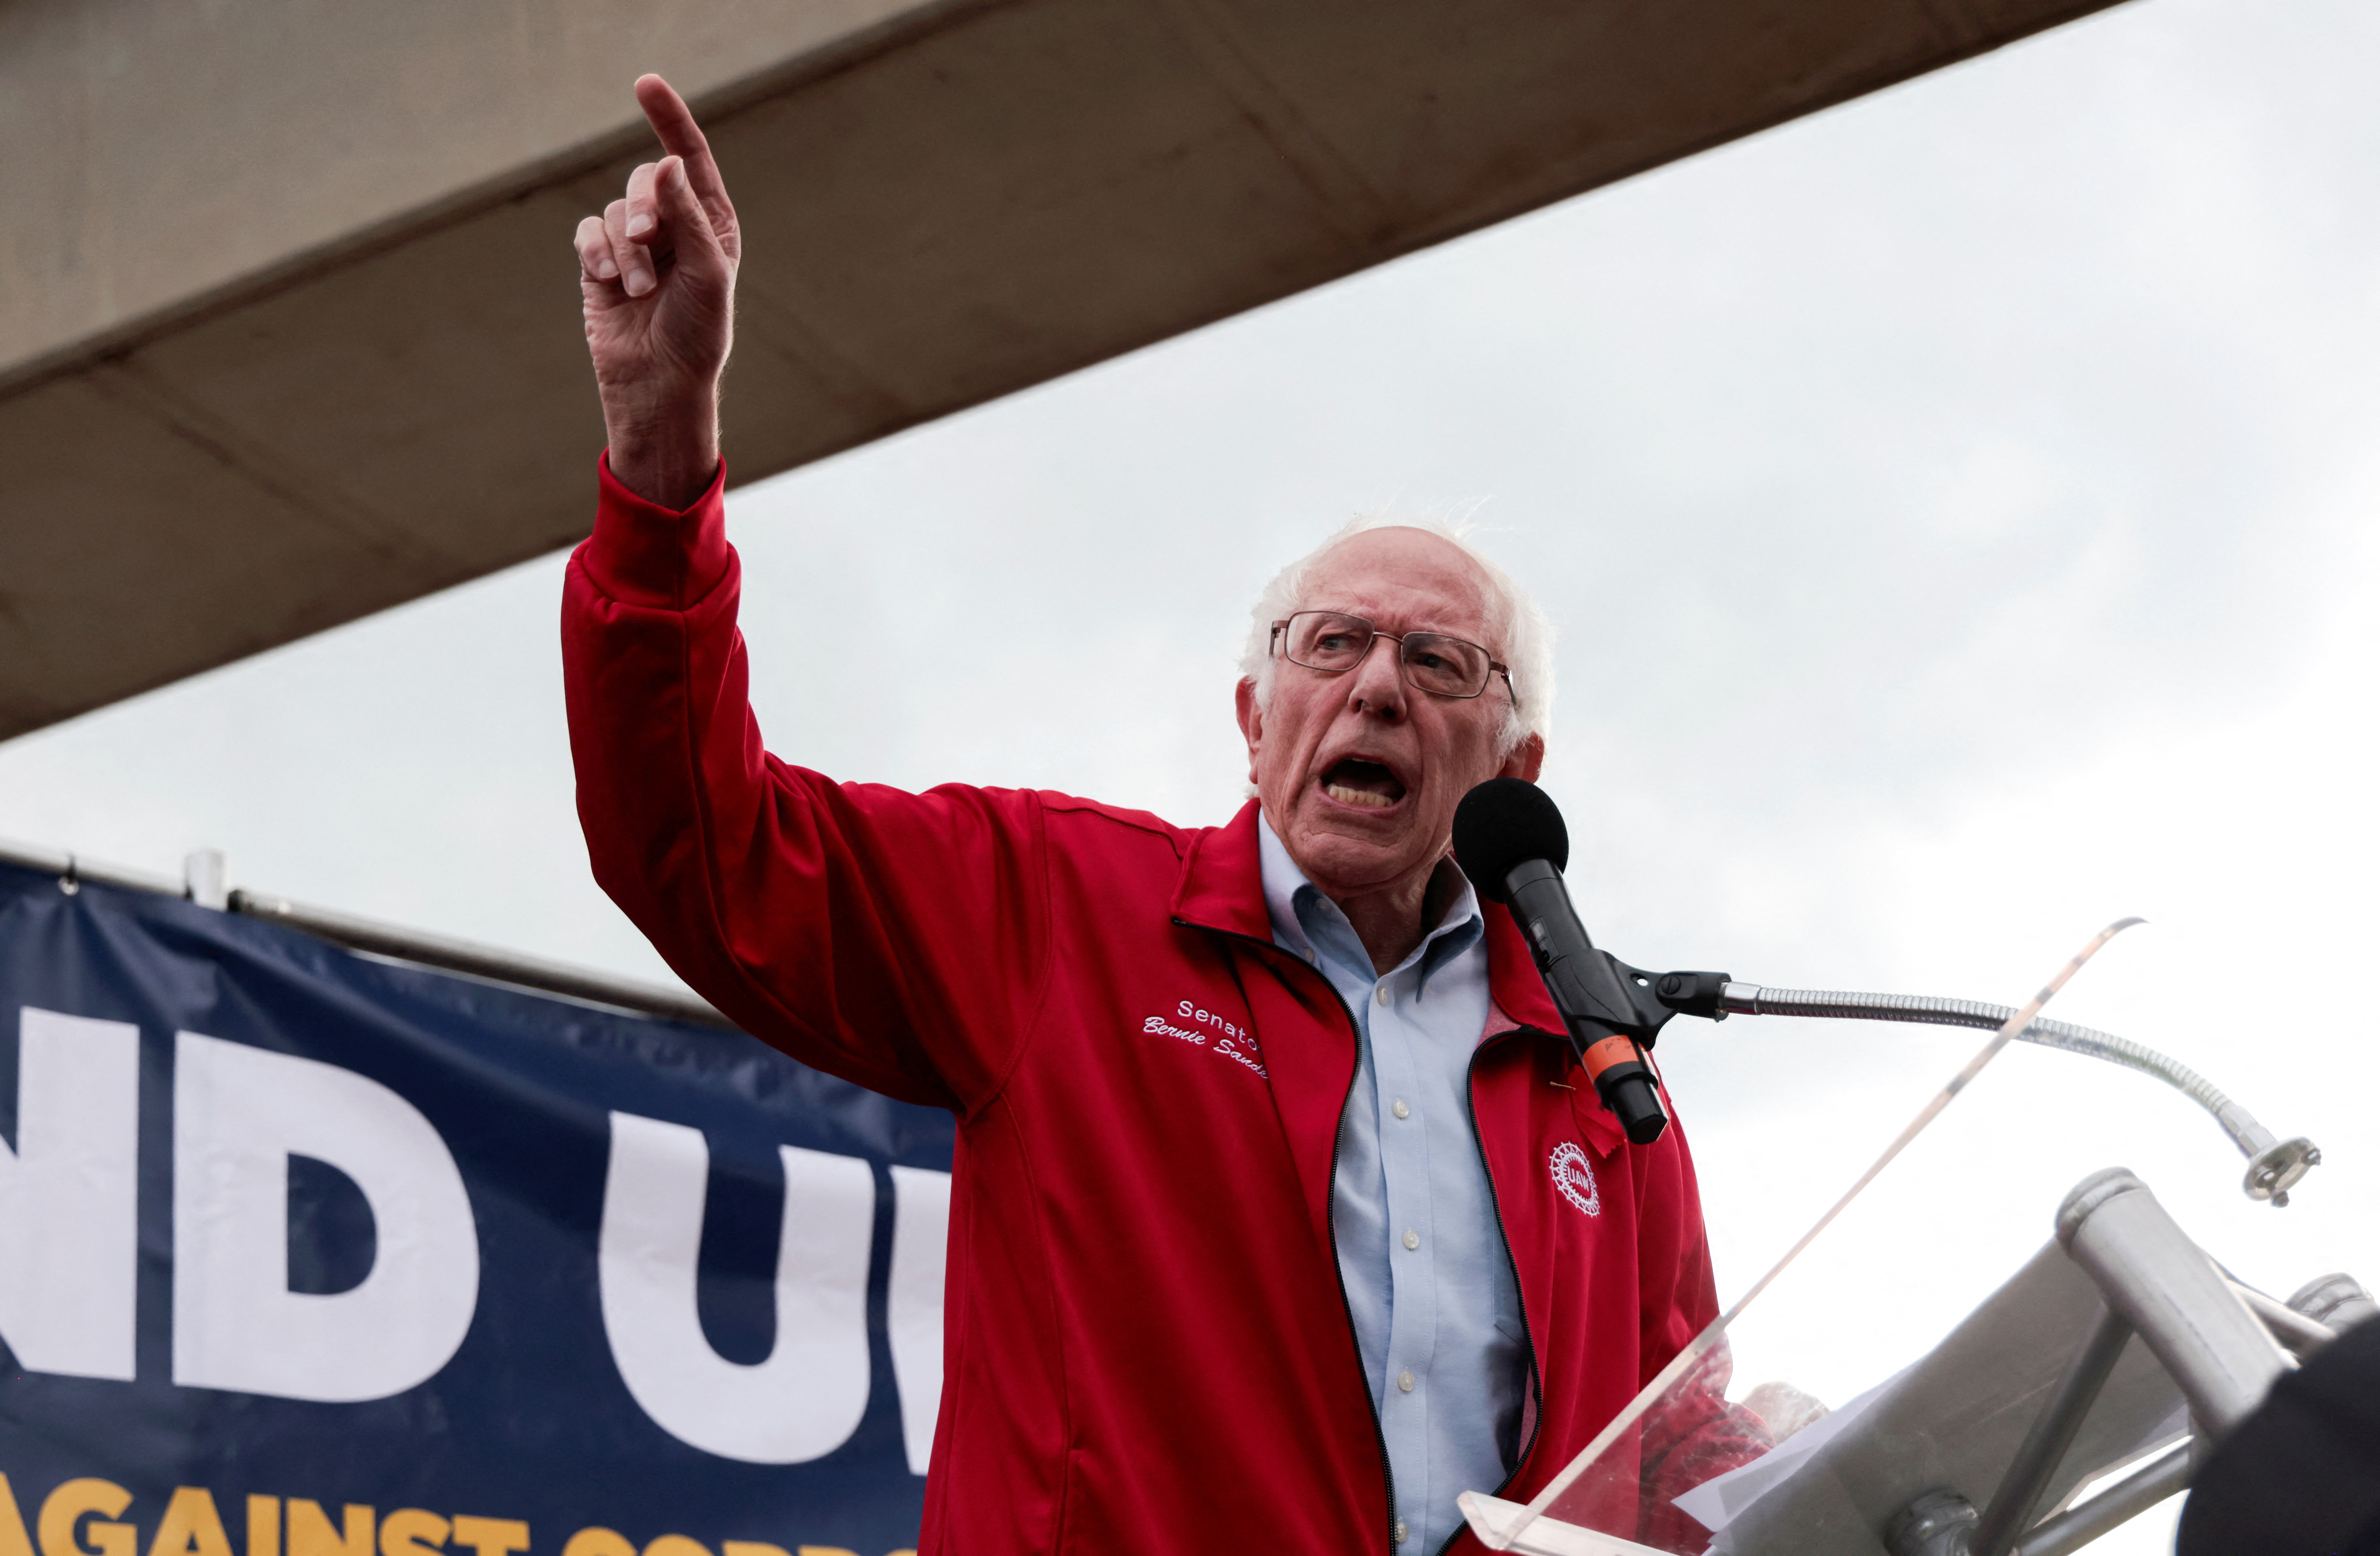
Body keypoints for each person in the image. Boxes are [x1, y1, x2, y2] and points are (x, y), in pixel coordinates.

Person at [563, 74, 1738, 1556]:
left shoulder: (1601, 1077)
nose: (1374, 688)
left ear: (1513, 771)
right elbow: (695, 840)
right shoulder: (1049, 906)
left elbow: (1672, 1455)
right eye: (1329, 645)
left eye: (1438, 663)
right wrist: (661, 452)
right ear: (1254, 725)